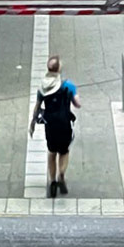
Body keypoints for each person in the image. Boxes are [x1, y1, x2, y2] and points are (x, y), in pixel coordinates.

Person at [30, 56, 80, 197]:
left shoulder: (42, 87)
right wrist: (73, 96)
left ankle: (52, 182)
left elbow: (37, 107)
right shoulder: (67, 85)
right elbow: (78, 104)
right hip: (64, 124)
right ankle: (61, 175)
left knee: (51, 152)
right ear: (58, 69)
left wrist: (33, 123)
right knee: (64, 152)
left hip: (50, 125)